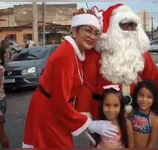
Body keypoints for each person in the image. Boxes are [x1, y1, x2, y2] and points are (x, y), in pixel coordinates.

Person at [75, 3, 158, 121]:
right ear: (113, 27)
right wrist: (84, 116)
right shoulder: (96, 53)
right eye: (125, 25)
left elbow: (153, 77)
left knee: (130, 139)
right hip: (101, 112)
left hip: (129, 112)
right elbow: (86, 86)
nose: (130, 29)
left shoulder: (140, 54)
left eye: (133, 25)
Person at [22, 12, 119, 148]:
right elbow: (60, 102)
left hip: (54, 110)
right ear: (74, 30)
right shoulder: (65, 56)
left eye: (96, 33)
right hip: (49, 112)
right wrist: (89, 123)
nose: (92, 37)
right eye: (88, 30)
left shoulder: (76, 53)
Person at [128, 80, 158, 148]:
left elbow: (151, 143)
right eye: (141, 95)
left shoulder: (154, 119)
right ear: (136, 96)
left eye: (149, 97)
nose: (144, 99)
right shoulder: (131, 111)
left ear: (154, 99)